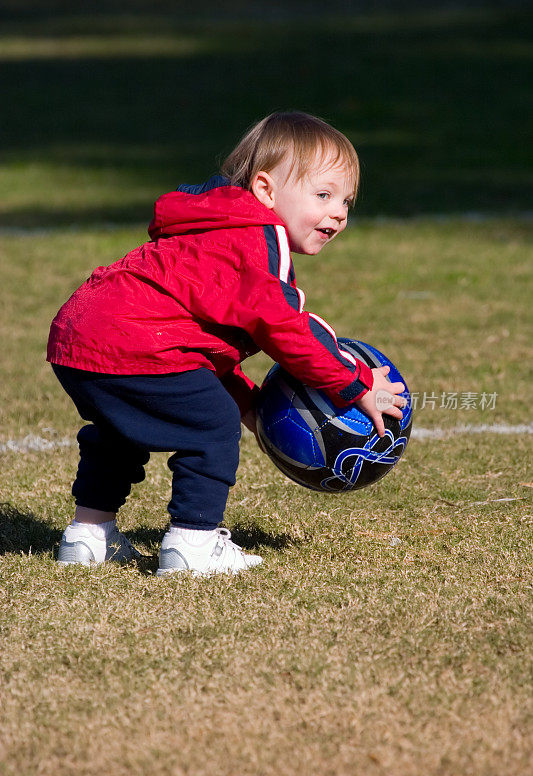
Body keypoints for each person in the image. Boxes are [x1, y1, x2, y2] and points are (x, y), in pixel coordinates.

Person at [47, 111, 406, 575]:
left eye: (346, 202)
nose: (338, 212)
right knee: (212, 425)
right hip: (136, 341)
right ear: (265, 190)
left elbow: (199, 347)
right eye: (323, 194)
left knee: (121, 429)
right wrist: (355, 385)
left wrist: (249, 404)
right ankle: (192, 543)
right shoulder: (259, 236)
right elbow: (288, 327)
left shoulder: (217, 228)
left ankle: (88, 535)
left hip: (82, 335)